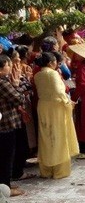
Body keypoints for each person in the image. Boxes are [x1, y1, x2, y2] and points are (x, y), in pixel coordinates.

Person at [33, 52, 78, 180]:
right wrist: (68, 102)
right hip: (56, 107)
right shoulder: (53, 74)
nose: (55, 64)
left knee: (45, 137)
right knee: (59, 136)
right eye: (54, 61)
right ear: (50, 63)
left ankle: (46, 170)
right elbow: (59, 91)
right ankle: (60, 170)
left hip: (43, 106)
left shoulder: (37, 75)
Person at [0, 54, 26, 196]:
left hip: (4, 123)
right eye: (9, 65)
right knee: (6, 158)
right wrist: (17, 86)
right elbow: (18, 99)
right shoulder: (2, 83)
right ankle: (6, 188)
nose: (11, 68)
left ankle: (6, 184)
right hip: (5, 124)